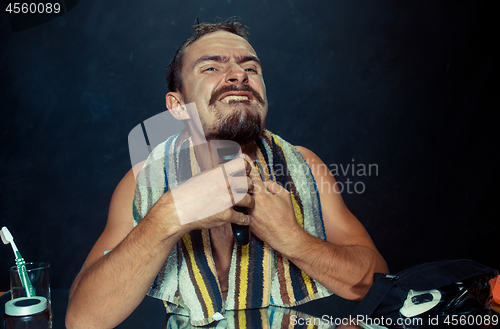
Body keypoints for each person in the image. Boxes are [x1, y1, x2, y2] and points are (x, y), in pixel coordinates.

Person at [65, 20, 388, 328]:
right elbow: (85, 320)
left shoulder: (305, 167)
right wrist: (169, 217)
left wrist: (293, 238)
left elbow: (375, 286)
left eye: (251, 68)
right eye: (211, 67)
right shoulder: (143, 181)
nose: (238, 75)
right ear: (178, 106)